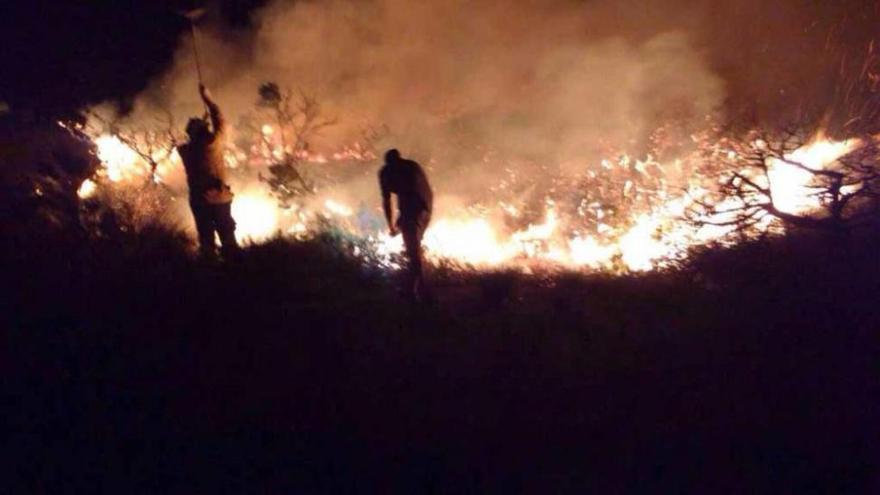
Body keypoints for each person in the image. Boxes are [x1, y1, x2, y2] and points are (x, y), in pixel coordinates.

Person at [178, 84, 239, 259]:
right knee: (228, 239)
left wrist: (201, 124)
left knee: (206, 242)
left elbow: (192, 139)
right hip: (219, 198)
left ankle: (209, 276)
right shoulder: (213, 145)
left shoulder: (185, 151)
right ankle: (237, 273)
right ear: (204, 131)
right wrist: (208, 100)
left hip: (199, 200)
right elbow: (220, 122)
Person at [379, 148, 433, 301]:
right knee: (413, 248)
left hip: (422, 206)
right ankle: (421, 286)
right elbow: (387, 200)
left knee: (412, 247)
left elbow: (415, 194)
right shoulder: (390, 171)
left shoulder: (408, 169)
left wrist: (398, 222)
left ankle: (413, 290)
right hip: (417, 206)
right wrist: (392, 224)